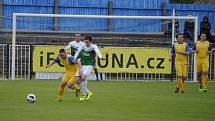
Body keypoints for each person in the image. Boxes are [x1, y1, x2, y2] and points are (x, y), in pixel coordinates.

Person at [74, 35, 104, 101]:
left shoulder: (94, 46)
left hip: (89, 65)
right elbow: (78, 51)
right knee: (77, 81)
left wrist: (100, 57)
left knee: (83, 77)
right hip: (82, 64)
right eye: (85, 42)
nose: (86, 43)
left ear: (90, 41)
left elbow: (97, 51)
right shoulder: (83, 45)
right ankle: (88, 93)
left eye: (87, 42)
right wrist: (74, 58)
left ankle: (83, 94)